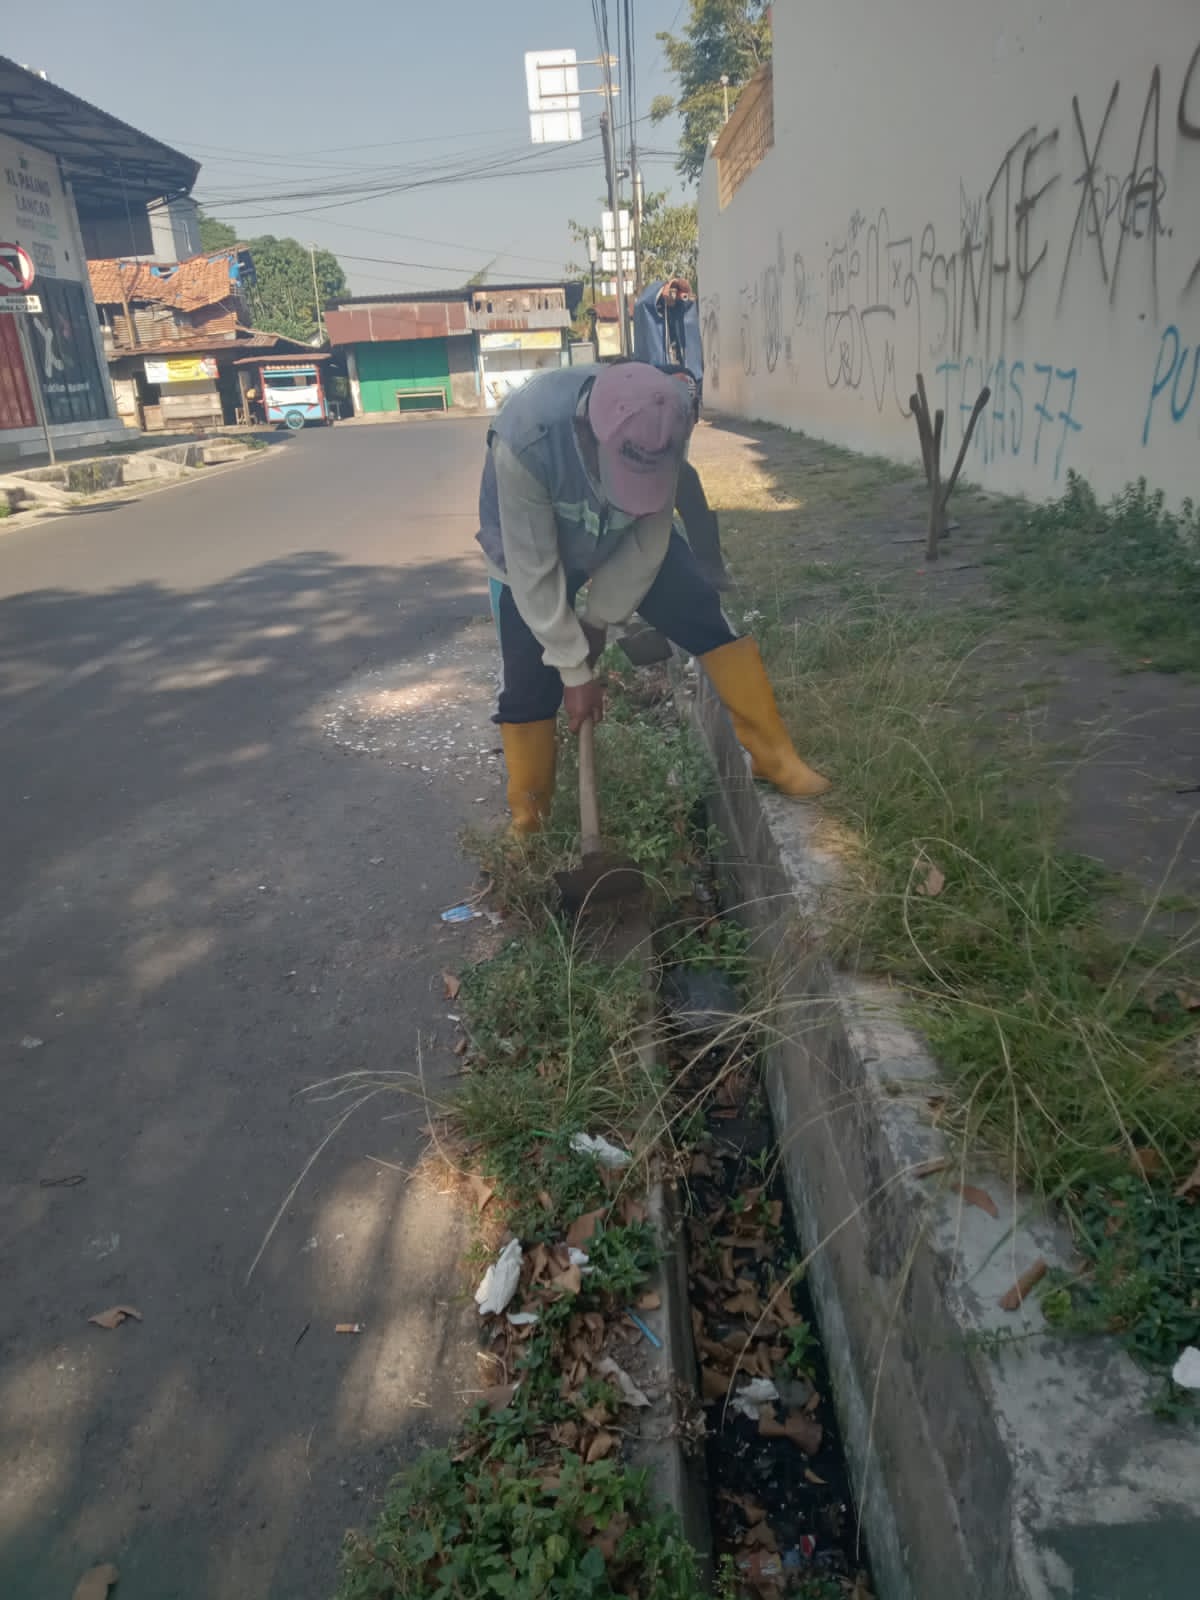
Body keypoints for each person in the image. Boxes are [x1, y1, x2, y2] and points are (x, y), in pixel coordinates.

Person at [476, 361, 830, 834]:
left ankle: (775, 757)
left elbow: (648, 543)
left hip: (625, 537)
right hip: (528, 550)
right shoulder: (526, 440)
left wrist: (599, 619)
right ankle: (529, 822)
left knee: (703, 616)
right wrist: (574, 668)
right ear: (589, 433)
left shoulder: (666, 417)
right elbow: (534, 572)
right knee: (527, 684)